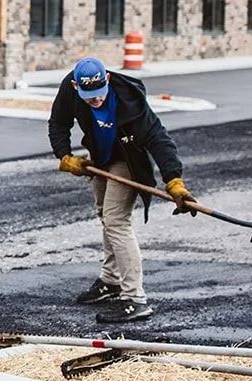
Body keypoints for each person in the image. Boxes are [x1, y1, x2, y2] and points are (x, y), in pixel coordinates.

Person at [48, 56, 191, 324]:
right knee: (105, 214)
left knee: (116, 220)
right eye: (89, 97)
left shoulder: (129, 100)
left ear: (108, 81)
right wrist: (65, 156)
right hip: (100, 159)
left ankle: (135, 298)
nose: (96, 101)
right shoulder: (69, 88)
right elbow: (58, 122)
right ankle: (111, 281)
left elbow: (158, 138)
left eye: (99, 95)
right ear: (77, 88)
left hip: (128, 161)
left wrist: (174, 180)